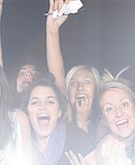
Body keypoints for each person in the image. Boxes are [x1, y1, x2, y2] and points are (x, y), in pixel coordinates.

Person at [45, 0, 102, 141]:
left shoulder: (107, 122)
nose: (80, 88)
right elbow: (56, 73)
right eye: (73, 84)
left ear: (97, 89)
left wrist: (82, 121)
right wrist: (52, 31)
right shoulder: (60, 121)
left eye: (87, 82)